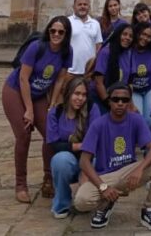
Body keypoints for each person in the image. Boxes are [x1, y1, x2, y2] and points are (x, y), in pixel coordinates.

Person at [74, 83, 151, 231]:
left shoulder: (136, 120)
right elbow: (84, 161)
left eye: (125, 100)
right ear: (109, 101)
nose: (120, 103)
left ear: (129, 101)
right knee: (81, 201)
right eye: (116, 99)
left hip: (128, 173)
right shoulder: (98, 124)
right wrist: (103, 187)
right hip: (106, 176)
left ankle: (150, 209)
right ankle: (105, 204)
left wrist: (139, 169)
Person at [2, 15, 73, 202]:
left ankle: (48, 179)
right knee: (24, 134)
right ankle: (20, 184)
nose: (56, 34)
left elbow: (59, 79)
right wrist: (29, 110)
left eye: (61, 32)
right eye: (53, 30)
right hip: (15, 91)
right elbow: (23, 78)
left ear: (66, 35)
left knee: (51, 133)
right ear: (48, 31)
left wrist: (52, 103)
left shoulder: (67, 51)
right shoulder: (37, 47)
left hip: (40, 94)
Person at [47, 75, 102, 218]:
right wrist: (78, 146)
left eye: (84, 95)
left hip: (90, 158)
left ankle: (92, 199)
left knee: (99, 161)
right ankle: (61, 204)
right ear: (68, 93)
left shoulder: (92, 109)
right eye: (76, 94)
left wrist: (85, 167)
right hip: (69, 158)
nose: (80, 98)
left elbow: (96, 139)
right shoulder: (55, 112)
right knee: (60, 160)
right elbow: (54, 145)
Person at [127, 22, 151, 132]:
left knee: (150, 119)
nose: (145, 38)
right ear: (137, 33)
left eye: (149, 36)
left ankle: (149, 144)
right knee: (137, 117)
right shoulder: (128, 51)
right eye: (143, 34)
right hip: (134, 90)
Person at [93, 23, 134, 109]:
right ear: (118, 34)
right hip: (103, 99)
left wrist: (130, 102)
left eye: (131, 36)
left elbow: (129, 82)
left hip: (120, 100)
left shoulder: (128, 54)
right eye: (124, 34)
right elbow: (98, 83)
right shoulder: (106, 52)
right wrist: (109, 104)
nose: (128, 38)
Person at [68, 0, 103, 76]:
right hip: (70, 71)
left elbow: (98, 46)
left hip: (89, 71)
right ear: (74, 7)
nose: (82, 7)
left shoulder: (95, 24)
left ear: (89, 7)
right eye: (79, 4)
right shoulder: (67, 22)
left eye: (85, 4)